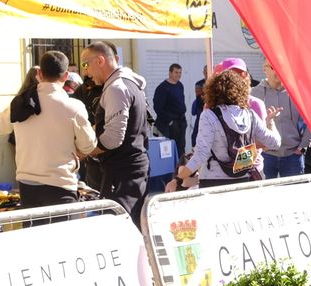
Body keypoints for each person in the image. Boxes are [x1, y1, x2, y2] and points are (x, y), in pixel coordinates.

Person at [11, 51, 96, 208]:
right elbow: (88, 146)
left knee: (34, 232)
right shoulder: (73, 107)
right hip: (60, 185)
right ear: (65, 76)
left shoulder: (20, 102)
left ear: (39, 73)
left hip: (27, 186)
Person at [172, 70, 281, 189]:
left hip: (213, 182)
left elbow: (201, 154)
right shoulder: (250, 115)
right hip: (243, 179)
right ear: (241, 91)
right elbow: (275, 143)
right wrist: (271, 122)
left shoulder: (209, 115)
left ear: (213, 91)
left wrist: (177, 179)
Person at [80, 41, 150, 223]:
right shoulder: (126, 84)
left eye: (86, 64)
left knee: (120, 226)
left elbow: (113, 138)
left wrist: (83, 151)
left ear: (100, 60)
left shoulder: (116, 88)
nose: (86, 72)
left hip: (122, 172)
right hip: (130, 169)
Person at [253, 64, 311, 178]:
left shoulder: (298, 92)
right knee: (265, 194)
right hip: (265, 156)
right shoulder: (255, 93)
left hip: (293, 155)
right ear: (264, 69)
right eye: (272, 67)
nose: (277, 70)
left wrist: (302, 147)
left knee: (294, 194)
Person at [155, 63, 189, 158]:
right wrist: (169, 121)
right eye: (176, 72)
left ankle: (181, 170)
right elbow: (158, 107)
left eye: (180, 72)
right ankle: (171, 171)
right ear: (170, 73)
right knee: (169, 150)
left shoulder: (180, 85)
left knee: (181, 148)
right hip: (168, 125)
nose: (178, 74)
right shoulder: (162, 88)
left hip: (181, 122)